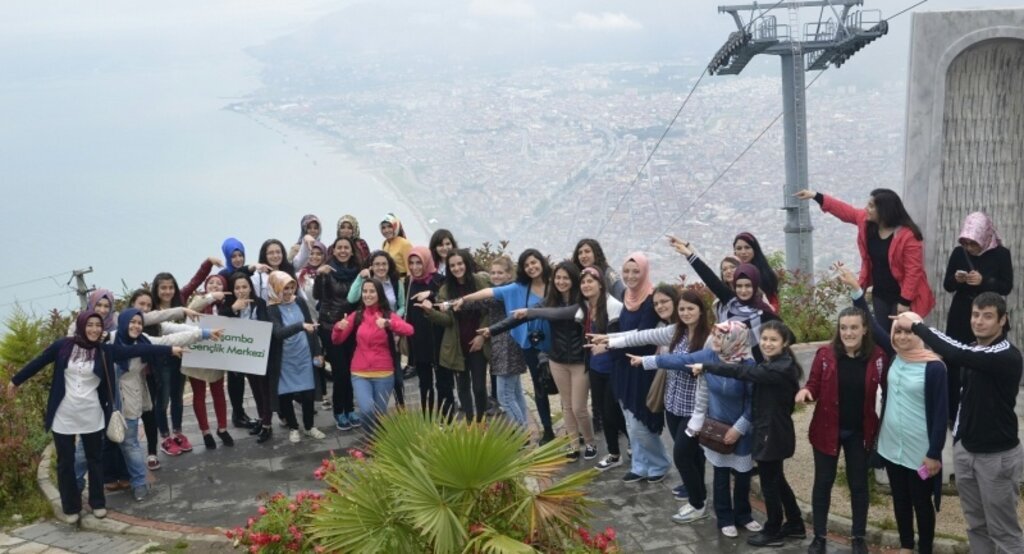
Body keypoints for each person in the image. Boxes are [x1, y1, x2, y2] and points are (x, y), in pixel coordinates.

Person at [7, 311, 177, 523]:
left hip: (92, 413)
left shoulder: (105, 351)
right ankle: (71, 507)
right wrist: (15, 381)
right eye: (90, 325)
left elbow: (139, 348)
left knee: (95, 460)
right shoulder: (63, 346)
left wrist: (170, 349)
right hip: (64, 415)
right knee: (65, 463)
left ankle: (98, 503)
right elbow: (38, 362)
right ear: (81, 326)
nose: (94, 329)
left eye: (98, 325)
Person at [895, 293, 1023, 554]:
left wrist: (917, 326)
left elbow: (954, 351)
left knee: (1004, 531)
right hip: (967, 451)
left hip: (996, 456)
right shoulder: (974, 349)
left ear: (1003, 320)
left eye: (987, 316)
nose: (979, 321)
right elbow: (964, 389)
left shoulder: (1005, 355)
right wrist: (959, 439)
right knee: (976, 525)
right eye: (976, 314)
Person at [629, 321, 759, 537]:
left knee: (743, 475)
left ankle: (744, 515)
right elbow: (681, 360)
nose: (714, 341)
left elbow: (754, 403)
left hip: (742, 429)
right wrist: (646, 361)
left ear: (735, 340)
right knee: (720, 473)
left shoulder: (748, 365)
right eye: (715, 336)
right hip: (717, 427)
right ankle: (725, 518)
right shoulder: (709, 357)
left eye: (720, 337)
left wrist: (739, 428)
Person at [689, 320, 806, 547]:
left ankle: (773, 529)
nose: (767, 343)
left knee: (770, 484)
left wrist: (706, 367)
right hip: (774, 431)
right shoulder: (778, 363)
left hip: (771, 434)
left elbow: (741, 371)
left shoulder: (777, 368)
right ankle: (795, 523)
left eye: (773, 340)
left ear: (785, 343)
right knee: (777, 480)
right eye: (764, 339)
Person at [797, 268, 888, 554]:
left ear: (864, 330)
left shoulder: (878, 359)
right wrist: (806, 392)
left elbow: (886, 394)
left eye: (854, 328)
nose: (848, 333)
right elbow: (812, 383)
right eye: (843, 328)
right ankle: (820, 537)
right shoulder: (825, 355)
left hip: (860, 432)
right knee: (822, 483)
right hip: (827, 429)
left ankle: (858, 537)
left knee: (858, 485)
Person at [601, 286, 712, 514]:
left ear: (701, 311)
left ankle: (697, 503)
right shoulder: (675, 331)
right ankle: (698, 492)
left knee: (682, 454)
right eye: (682, 309)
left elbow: (686, 361)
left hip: (695, 408)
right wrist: (609, 340)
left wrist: (648, 361)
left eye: (691, 308)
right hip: (673, 404)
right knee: (691, 455)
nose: (686, 313)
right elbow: (641, 335)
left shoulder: (709, 339)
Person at [487, 261, 597, 460]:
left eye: (566, 278)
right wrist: (492, 330)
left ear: (573, 280)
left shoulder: (582, 302)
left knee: (579, 407)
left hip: (580, 361)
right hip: (557, 360)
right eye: (558, 278)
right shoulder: (550, 299)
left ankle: (590, 442)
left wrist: (531, 312)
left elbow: (561, 314)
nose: (561, 281)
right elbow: (518, 317)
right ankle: (573, 445)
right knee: (566, 405)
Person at [112, 309, 218, 501]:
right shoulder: (109, 340)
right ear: (123, 322)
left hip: (130, 397)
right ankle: (76, 489)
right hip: (106, 400)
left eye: (139, 322)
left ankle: (139, 483)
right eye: (132, 322)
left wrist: (203, 333)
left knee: (130, 443)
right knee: (91, 450)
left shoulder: (143, 340)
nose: (136, 326)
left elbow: (167, 340)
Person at [453, 249, 557, 443]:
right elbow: (485, 296)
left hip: (514, 347)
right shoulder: (518, 288)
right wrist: (460, 301)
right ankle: (535, 430)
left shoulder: (524, 288)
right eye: (493, 273)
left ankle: (522, 433)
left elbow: (487, 297)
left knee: (505, 396)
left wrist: (462, 301)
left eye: (500, 273)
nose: (496, 276)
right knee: (520, 392)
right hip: (524, 345)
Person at [796, 188, 934, 328]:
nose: (866, 209)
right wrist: (816, 196)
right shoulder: (867, 224)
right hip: (880, 294)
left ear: (884, 210)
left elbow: (913, 271)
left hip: (903, 295)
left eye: (871, 206)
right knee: (882, 337)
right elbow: (846, 211)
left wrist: (905, 302)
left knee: (901, 336)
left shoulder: (908, 236)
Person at [870, 308, 947, 554]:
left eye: (909, 332)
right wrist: (855, 292)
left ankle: (925, 548)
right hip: (891, 446)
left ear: (920, 333)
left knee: (921, 503)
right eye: (898, 332)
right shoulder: (895, 357)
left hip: (920, 452)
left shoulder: (934, 367)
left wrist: (934, 452)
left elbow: (940, 414)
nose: (902, 337)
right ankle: (906, 545)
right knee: (900, 499)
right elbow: (872, 325)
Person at [941, 211, 1013, 426]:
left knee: (985, 363)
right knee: (954, 361)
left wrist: (984, 281)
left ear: (984, 236)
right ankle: (953, 413)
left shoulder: (1001, 254)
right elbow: (947, 286)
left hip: (989, 313)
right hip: (961, 313)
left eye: (974, 243)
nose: (970, 248)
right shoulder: (958, 253)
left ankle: (984, 414)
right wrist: (957, 278)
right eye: (966, 243)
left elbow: (1006, 287)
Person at [150, 256, 221, 457]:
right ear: (156, 290)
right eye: (163, 288)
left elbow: (196, 281)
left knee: (178, 398)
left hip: (182, 358)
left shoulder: (181, 299)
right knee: (162, 400)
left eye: (170, 287)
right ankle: (165, 437)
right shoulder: (152, 310)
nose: (167, 291)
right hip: (161, 359)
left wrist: (208, 263)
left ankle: (178, 433)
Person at [668, 236, 779, 359]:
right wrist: (688, 253)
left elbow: (782, 335)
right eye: (739, 286)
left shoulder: (763, 309)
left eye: (748, 286)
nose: (743, 290)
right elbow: (709, 277)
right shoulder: (730, 300)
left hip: (756, 365)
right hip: (730, 362)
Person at [612, 252, 670, 484]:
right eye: (626, 271)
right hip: (623, 367)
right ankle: (640, 464)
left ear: (645, 272)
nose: (630, 276)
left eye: (636, 271)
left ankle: (659, 463)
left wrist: (610, 342)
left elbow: (643, 336)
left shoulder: (650, 300)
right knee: (629, 421)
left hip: (643, 367)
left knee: (640, 421)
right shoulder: (627, 296)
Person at [332, 278, 414, 434]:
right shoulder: (357, 315)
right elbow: (337, 340)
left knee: (379, 415)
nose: (367, 295)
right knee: (367, 410)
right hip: (359, 373)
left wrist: (389, 324)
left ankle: (377, 445)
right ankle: (371, 440)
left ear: (379, 294)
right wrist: (338, 327)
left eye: (371, 291)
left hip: (384, 373)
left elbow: (409, 330)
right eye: (364, 291)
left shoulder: (387, 314)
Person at [420, 250, 491, 422]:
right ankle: (469, 421)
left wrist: (482, 336)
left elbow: (490, 310)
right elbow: (447, 321)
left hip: (478, 342)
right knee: (463, 387)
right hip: (457, 344)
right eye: (452, 265)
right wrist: (430, 312)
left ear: (466, 263)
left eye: (460, 263)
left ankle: (480, 421)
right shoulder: (446, 289)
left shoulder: (480, 282)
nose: (457, 268)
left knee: (479, 387)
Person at [266, 271, 325, 444]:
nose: (289, 291)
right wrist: (300, 326)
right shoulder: (271, 308)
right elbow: (278, 333)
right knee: (285, 395)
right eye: (285, 288)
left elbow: (311, 328)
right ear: (276, 288)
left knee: (308, 394)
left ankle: (309, 427)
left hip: (304, 354)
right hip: (284, 359)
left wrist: (317, 352)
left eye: (292, 287)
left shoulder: (299, 301)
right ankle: (293, 427)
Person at [315, 237, 362, 431]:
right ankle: (339, 411)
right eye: (339, 248)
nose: (343, 251)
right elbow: (317, 295)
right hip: (330, 326)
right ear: (333, 251)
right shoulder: (326, 271)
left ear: (352, 251)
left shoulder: (357, 272)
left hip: (351, 326)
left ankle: (350, 408)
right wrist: (319, 275)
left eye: (346, 248)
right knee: (340, 370)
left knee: (351, 370)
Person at [222, 271, 275, 443]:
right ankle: (262, 419)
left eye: (244, 287)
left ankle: (267, 424)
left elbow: (266, 324)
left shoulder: (259, 303)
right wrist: (233, 309)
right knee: (255, 390)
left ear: (250, 288)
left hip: (261, 353)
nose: (241, 290)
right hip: (244, 357)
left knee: (265, 390)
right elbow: (220, 322)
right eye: (237, 288)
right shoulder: (230, 305)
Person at [403, 246, 445, 413]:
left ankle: (444, 417)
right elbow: (409, 311)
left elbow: (448, 303)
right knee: (424, 383)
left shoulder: (440, 281)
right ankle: (427, 415)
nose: (414, 267)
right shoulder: (411, 281)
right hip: (419, 341)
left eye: (419, 262)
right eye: (411, 263)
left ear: (427, 261)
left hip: (438, 339)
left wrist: (432, 295)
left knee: (443, 383)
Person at [732, 233, 780, 312]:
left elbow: (773, 301)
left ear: (754, 249)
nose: (743, 252)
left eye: (747, 247)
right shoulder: (731, 273)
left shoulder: (766, 274)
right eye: (739, 248)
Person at [380, 213, 413, 277]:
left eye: (390, 226)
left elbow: (410, 271)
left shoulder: (404, 244)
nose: (386, 230)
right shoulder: (384, 244)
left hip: (402, 282)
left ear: (395, 227)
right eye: (383, 228)